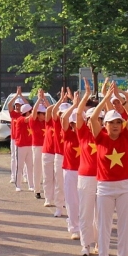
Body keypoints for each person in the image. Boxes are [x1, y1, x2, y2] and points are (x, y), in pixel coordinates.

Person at [89, 83, 128, 256]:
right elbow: (93, 118)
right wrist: (105, 99)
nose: (116, 125)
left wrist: (121, 100)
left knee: (124, 227)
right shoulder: (100, 137)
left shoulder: (126, 135)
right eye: (111, 123)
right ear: (106, 125)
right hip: (105, 187)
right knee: (104, 227)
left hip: (125, 186)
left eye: (118, 122)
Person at [75, 85, 99, 256]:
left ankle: (99, 243)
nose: (93, 122)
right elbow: (78, 114)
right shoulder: (83, 133)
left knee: (101, 214)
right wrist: (87, 95)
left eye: (97, 119)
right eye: (90, 119)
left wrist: (107, 98)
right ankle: (85, 244)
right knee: (85, 212)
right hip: (85, 178)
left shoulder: (105, 135)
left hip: (103, 179)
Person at [58, 95, 82, 240]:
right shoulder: (67, 134)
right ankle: (74, 227)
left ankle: (86, 227)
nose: (75, 125)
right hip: (70, 171)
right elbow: (63, 118)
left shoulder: (87, 135)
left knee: (84, 201)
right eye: (73, 123)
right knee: (72, 201)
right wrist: (74, 106)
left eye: (78, 122)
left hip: (86, 173)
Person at [11, 90, 35, 193]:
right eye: (30, 111)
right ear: (27, 112)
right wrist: (34, 111)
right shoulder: (21, 119)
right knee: (19, 166)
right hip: (20, 146)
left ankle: (31, 185)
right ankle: (18, 185)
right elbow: (28, 118)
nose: (32, 112)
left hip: (29, 145)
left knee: (30, 166)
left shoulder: (30, 119)